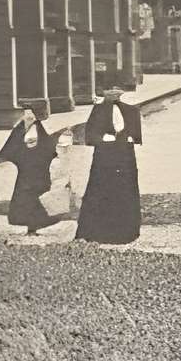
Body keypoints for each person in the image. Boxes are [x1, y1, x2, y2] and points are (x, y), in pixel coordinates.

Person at [75, 84, 143, 245]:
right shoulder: (98, 111)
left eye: (116, 92)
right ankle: (98, 232)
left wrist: (129, 139)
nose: (113, 95)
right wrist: (103, 139)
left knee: (125, 189)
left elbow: (136, 135)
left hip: (125, 156)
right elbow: (90, 135)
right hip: (104, 156)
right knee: (101, 189)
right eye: (110, 92)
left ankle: (125, 232)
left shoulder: (131, 110)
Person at [0, 102, 58, 237]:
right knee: (26, 197)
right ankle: (30, 227)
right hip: (27, 168)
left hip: (39, 168)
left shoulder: (39, 127)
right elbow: (10, 148)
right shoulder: (21, 129)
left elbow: (47, 145)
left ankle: (35, 226)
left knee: (40, 196)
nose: (29, 118)